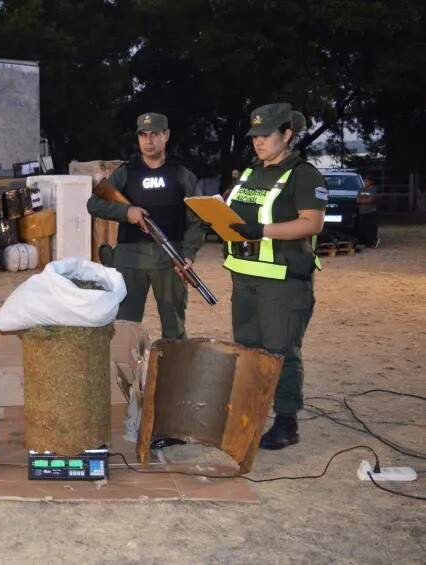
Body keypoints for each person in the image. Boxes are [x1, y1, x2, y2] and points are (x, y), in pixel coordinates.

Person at [225, 103, 327, 450]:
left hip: (282, 281)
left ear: (287, 135)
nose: (259, 142)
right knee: (249, 350)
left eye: (266, 135)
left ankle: (286, 423)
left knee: (281, 352)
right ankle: (252, 414)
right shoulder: (250, 174)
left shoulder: (303, 174)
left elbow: (312, 223)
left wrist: (262, 229)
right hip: (244, 278)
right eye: (255, 136)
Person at [87, 112, 205, 339]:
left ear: (167, 135)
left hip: (171, 260)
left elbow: (197, 220)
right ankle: (126, 374)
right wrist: (126, 212)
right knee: (124, 328)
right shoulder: (125, 173)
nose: (148, 141)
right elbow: (94, 204)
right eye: (143, 135)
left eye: (155, 134)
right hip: (130, 260)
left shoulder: (181, 174)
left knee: (174, 330)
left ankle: (171, 373)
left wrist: (188, 255)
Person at [356, 175, 380, 248]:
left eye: (367, 181)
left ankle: (373, 242)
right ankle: (365, 242)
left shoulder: (373, 189)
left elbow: (371, 200)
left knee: (371, 227)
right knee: (363, 227)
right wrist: (363, 201)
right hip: (362, 212)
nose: (365, 182)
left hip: (371, 211)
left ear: (371, 182)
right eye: (365, 181)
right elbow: (357, 200)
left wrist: (362, 201)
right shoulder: (361, 189)